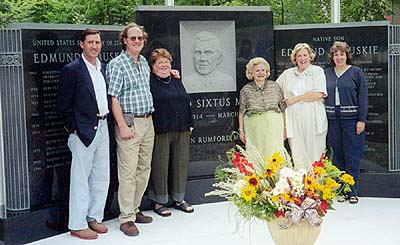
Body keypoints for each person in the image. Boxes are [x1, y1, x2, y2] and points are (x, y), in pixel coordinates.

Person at [58, 28, 110, 240]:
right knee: (80, 179)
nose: (94, 46)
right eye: (90, 42)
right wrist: (74, 128)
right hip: (83, 130)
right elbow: (63, 104)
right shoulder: (72, 70)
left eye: (97, 42)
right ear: (82, 44)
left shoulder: (103, 68)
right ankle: (78, 224)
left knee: (101, 176)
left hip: (104, 126)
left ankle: (93, 217)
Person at [106, 23, 154, 237]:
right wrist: (122, 126)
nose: (137, 42)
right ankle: (126, 218)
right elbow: (113, 98)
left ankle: (134, 210)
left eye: (140, 39)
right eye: (132, 38)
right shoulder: (117, 64)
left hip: (148, 121)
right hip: (129, 123)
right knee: (127, 173)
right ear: (124, 40)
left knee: (144, 170)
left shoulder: (143, 62)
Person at [147, 48, 194, 217]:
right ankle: (160, 201)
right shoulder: (148, 81)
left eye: (166, 62)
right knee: (160, 165)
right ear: (152, 65)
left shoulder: (175, 80)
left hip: (181, 127)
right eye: (160, 62)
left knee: (180, 164)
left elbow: (185, 100)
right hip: (161, 128)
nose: (164, 65)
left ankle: (179, 199)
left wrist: (190, 123)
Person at [324, 41, 368, 204]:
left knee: (352, 156)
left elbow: (363, 97)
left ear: (346, 56)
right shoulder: (326, 73)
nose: (339, 57)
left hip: (351, 120)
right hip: (332, 120)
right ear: (332, 57)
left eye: (342, 54)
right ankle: (341, 190)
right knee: (337, 157)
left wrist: (361, 120)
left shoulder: (356, 72)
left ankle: (353, 191)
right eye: (336, 54)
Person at [276, 43, 328, 170]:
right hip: (293, 119)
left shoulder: (317, 71)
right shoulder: (287, 74)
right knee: (298, 155)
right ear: (295, 58)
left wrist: (296, 98)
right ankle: (301, 187)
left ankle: (318, 186)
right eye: (299, 56)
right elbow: (275, 89)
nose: (302, 58)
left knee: (315, 154)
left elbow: (319, 94)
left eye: (305, 55)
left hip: (313, 117)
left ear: (310, 56)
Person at [238, 57, 286, 159]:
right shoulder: (245, 90)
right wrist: (241, 130)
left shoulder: (275, 87)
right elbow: (241, 111)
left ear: (267, 72)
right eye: (257, 70)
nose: (260, 73)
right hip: (254, 127)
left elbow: (283, 109)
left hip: (274, 125)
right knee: (256, 155)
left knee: (274, 154)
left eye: (263, 70)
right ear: (251, 73)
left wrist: (285, 128)